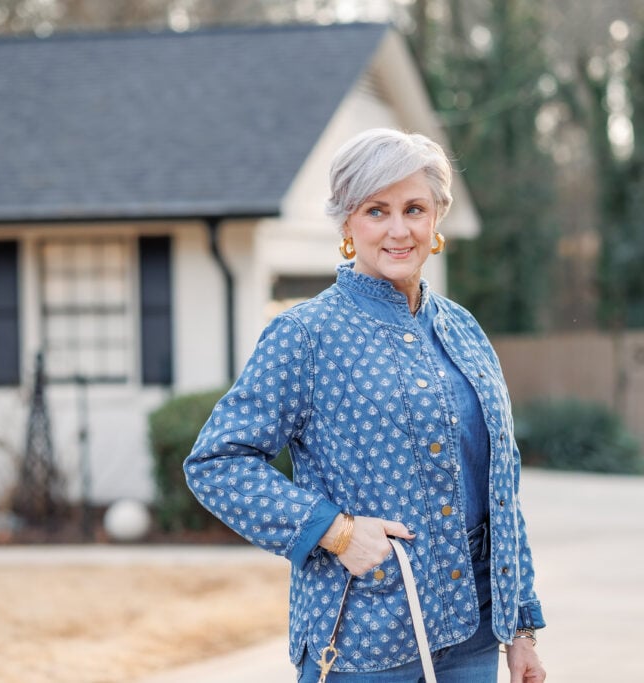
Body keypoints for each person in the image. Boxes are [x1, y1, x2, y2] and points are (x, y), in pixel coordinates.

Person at [185, 128, 546, 682]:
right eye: (377, 210)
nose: (399, 230)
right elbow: (217, 463)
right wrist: (337, 532)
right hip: (363, 643)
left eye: (414, 209)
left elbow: (503, 486)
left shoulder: (464, 331)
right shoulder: (304, 335)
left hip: (476, 637)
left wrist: (520, 628)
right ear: (348, 224)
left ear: (437, 220)